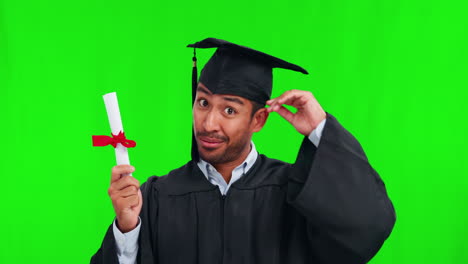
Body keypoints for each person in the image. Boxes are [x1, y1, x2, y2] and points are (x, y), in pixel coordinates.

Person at [91, 38, 396, 264]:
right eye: (203, 102)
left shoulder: (291, 193)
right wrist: (127, 229)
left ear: (258, 120)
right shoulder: (157, 196)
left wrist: (321, 128)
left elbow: (368, 225)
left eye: (229, 110)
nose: (209, 122)